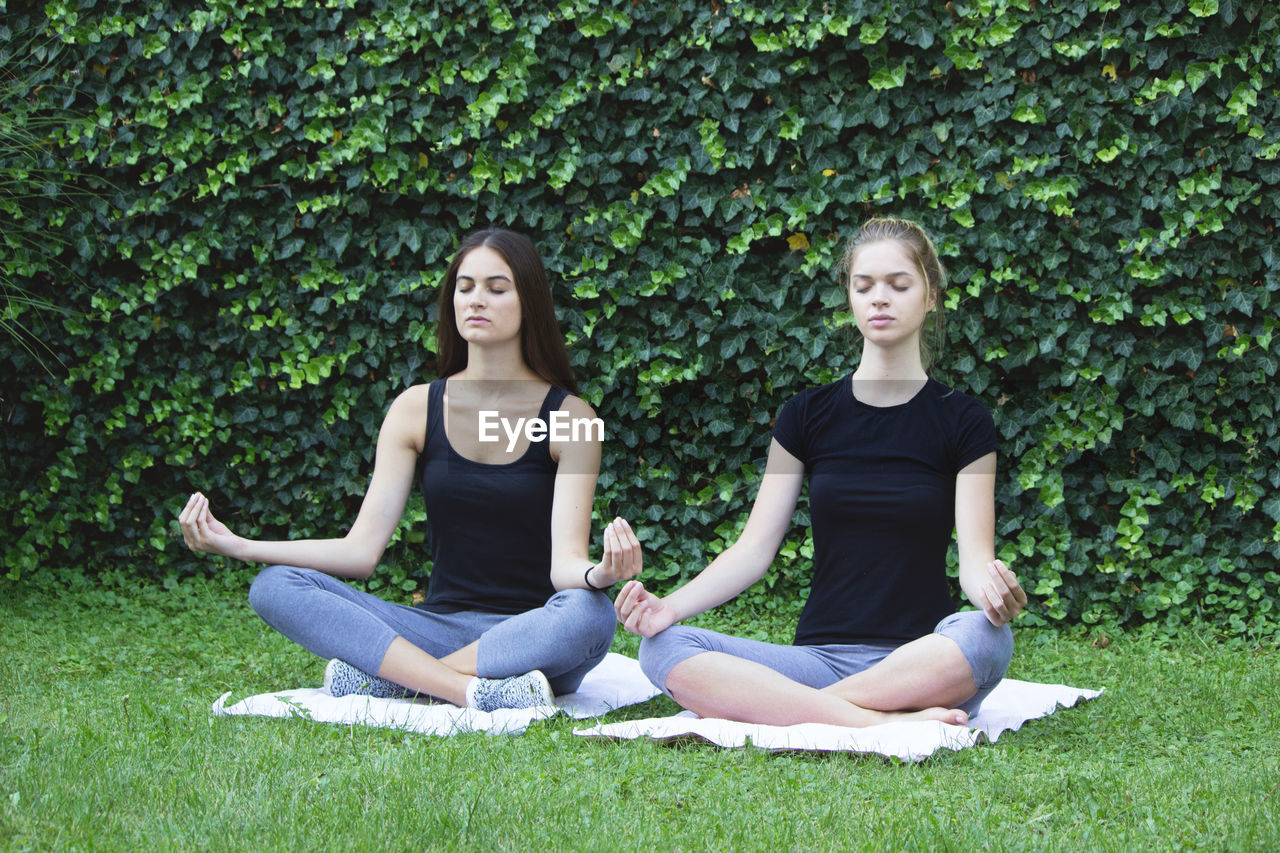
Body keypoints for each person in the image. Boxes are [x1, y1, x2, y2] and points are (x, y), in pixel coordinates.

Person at [179, 228, 641, 712]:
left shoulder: (575, 419)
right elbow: (361, 551)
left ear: (530, 303)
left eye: (496, 288)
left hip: (533, 635)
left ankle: (400, 680)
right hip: (434, 629)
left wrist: (602, 572)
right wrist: (239, 546)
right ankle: (466, 690)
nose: (475, 300)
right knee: (275, 585)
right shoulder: (415, 408)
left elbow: (565, 565)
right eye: (464, 287)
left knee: (591, 613)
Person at [615, 217, 1027, 727]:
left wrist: (993, 594)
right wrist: (667, 609)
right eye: (864, 286)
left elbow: (975, 563)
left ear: (931, 298)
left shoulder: (964, 419)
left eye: (899, 285)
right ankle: (878, 721)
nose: (880, 298)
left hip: (923, 663)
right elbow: (752, 550)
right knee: (664, 647)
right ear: (850, 298)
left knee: (987, 636)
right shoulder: (806, 414)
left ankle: (798, 708)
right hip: (817, 659)